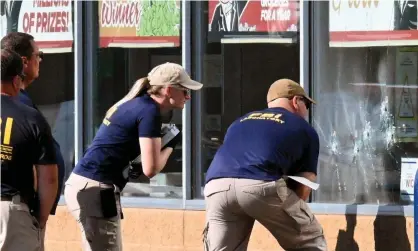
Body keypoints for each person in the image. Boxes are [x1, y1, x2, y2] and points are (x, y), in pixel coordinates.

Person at [64, 62, 203, 251]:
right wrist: (170, 145)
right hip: (96, 190)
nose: (188, 96)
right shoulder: (150, 112)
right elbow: (151, 169)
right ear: (169, 90)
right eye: (185, 91)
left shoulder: (135, 104)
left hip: (87, 186)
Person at [203, 78, 328, 251]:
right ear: (296, 101)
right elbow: (303, 187)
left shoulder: (240, 121)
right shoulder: (303, 128)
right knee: (310, 241)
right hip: (259, 183)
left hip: (216, 186)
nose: (306, 110)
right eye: (306, 104)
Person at [1, 32, 65, 222]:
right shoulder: (18, 107)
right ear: (24, 61)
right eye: (39, 55)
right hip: (21, 210)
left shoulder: (22, 104)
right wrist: (39, 216)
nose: (41, 60)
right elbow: (31, 163)